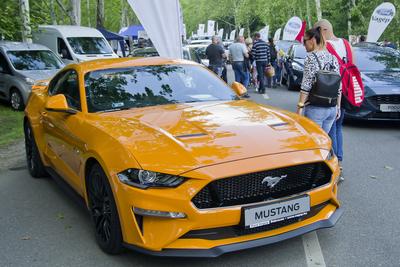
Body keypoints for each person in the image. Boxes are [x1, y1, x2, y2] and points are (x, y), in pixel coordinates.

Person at [314, 19, 354, 181]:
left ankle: (335, 165)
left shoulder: (325, 46)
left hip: (329, 92)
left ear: (323, 30)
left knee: (329, 129)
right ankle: (340, 161)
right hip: (346, 91)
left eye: (317, 32)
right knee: (338, 127)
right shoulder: (347, 44)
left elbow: (321, 72)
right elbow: (353, 68)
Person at [296, 27, 341, 134]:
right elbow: (339, 85)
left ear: (312, 40)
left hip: (316, 108)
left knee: (314, 144)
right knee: (323, 142)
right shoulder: (332, 57)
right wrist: (338, 106)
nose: (304, 44)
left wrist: (299, 108)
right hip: (332, 108)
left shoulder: (311, 58)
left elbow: (306, 85)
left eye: (305, 41)